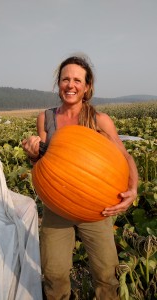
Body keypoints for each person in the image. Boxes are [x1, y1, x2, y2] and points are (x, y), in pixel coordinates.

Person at [22, 55, 138, 300]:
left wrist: (133, 188)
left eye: (77, 80)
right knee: (53, 274)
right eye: (65, 79)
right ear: (59, 83)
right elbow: (45, 163)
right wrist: (33, 154)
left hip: (96, 207)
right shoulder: (46, 118)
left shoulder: (99, 120)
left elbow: (125, 157)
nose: (70, 85)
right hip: (57, 207)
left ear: (86, 87)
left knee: (106, 274)